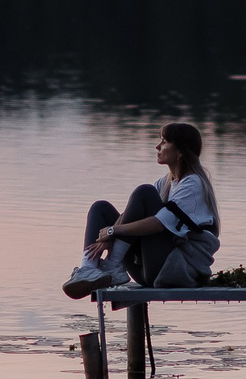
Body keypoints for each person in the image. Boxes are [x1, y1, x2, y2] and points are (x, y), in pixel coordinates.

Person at [65, 122, 219, 297]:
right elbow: (130, 215)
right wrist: (110, 236)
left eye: (165, 142)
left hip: (171, 270)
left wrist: (113, 231)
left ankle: (113, 265)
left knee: (144, 192)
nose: (158, 146)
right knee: (100, 208)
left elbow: (158, 224)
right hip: (146, 269)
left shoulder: (193, 184)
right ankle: (88, 269)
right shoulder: (166, 183)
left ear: (181, 152)